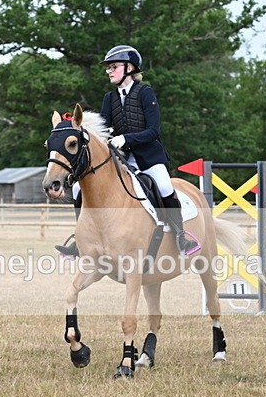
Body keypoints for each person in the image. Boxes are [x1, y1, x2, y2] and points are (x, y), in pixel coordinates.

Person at [55, 45, 200, 257]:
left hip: (148, 157)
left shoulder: (145, 93)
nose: (109, 71)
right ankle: (81, 239)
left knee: (164, 185)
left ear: (129, 67)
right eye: (108, 68)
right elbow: (103, 131)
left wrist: (126, 138)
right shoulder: (109, 98)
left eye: (113, 67)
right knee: (78, 189)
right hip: (121, 159)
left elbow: (153, 131)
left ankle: (180, 236)